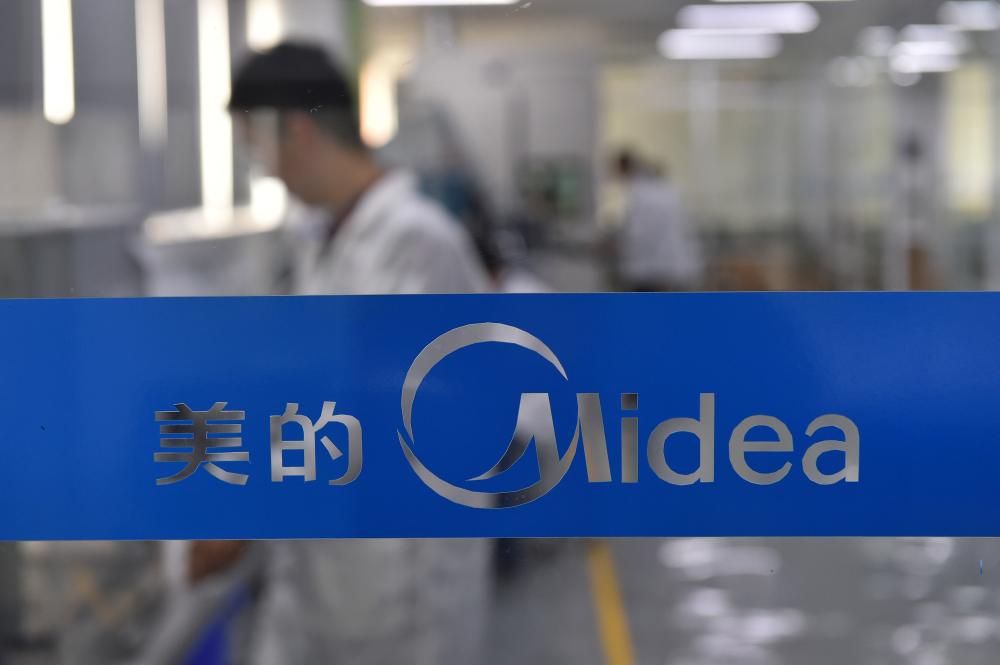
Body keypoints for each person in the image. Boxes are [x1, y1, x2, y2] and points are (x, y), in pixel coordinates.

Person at [217, 42, 491, 665]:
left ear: (297, 131)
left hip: (404, 584)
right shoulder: (321, 240)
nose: (263, 169)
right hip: (331, 570)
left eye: (254, 145)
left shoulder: (418, 244)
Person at [612, 150, 702, 292]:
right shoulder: (668, 189)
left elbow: (637, 235)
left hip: (652, 272)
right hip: (676, 269)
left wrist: (616, 244)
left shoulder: (640, 193)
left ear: (625, 168)